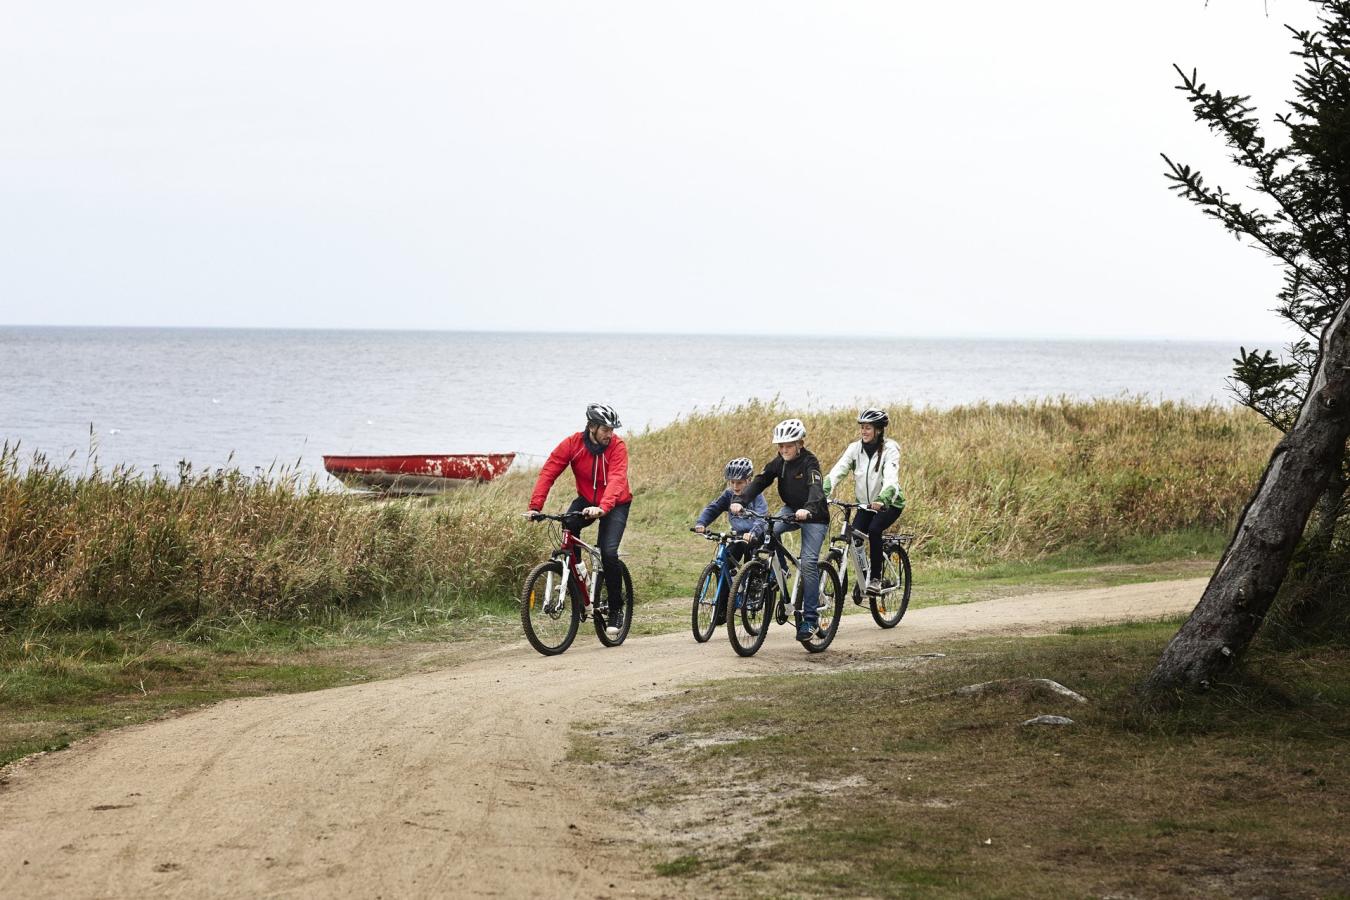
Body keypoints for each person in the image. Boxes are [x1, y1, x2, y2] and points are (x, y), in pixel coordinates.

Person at [527, 403, 632, 637]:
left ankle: (616, 609)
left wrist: (603, 507)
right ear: (592, 427)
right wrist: (536, 507)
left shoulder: (617, 447)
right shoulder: (573, 444)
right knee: (568, 526)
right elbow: (549, 472)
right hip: (586, 499)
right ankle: (576, 583)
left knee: (609, 552)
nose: (610, 434)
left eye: (612, 429)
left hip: (616, 503)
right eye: (605, 429)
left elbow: (616, 478)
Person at [730, 418, 829, 643]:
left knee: (808, 562)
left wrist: (808, 509)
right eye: (781, 446)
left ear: (800, 443)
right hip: (790, 509)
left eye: (789, 445)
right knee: (766, 532)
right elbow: (761, 480)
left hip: (814, 515)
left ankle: (810, 619)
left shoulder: (810, 463)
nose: (784, 450)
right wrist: (741, 500)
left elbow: (816, 489)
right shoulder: (780, 462)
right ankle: (778, 573)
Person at [823, 408, 905, 596]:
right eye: (862, 428)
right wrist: (822, 492)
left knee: (875, 530)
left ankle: (875, 579)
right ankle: (865, 575)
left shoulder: (890, 449)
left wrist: (882, 499)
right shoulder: (855, 449)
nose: (864, 431)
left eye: (868, 428)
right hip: (865, 505)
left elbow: (891, 478)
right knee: (855, 537)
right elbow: (838, 471)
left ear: (878, 430)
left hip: (889, 503)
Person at [693, 457, 768, 625]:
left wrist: (753, 532)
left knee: (752, 563)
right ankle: (722, 609)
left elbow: (762, 517)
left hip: (755, 535)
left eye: (740, 482)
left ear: (749, 480)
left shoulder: (756, 496)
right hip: (738, 535)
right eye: (732, 482)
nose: (735, 486)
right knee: (724, 563)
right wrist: (701, 523)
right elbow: (714, 508)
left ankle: (754, 590)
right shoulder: (729, 495)